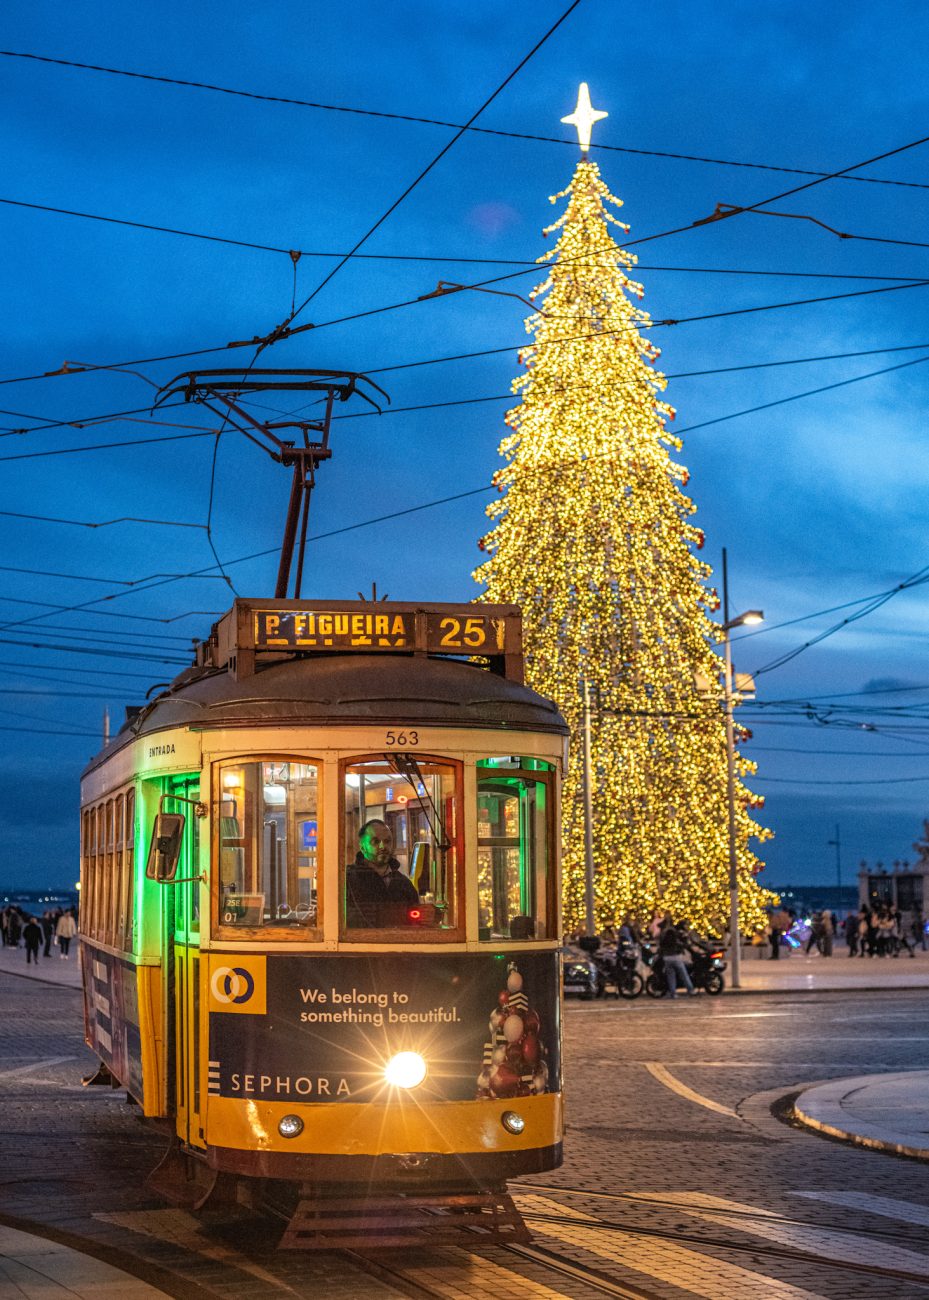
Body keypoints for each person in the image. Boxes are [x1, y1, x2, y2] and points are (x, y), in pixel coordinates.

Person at [345, 819, 419, 927]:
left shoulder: (404, 884)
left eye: (387, 841)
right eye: (375, 841)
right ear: (362, 847)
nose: (382, 846)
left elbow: (415, 924)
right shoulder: (348, 880)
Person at [658, 918, 697, 998]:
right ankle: (690, 990)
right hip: (676, 957)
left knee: (671, 976)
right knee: (684, 974)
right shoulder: (677, 933)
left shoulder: (665, 933)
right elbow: (683, 943)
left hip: (667, 957)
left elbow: (661, 944)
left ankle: (673, 993)